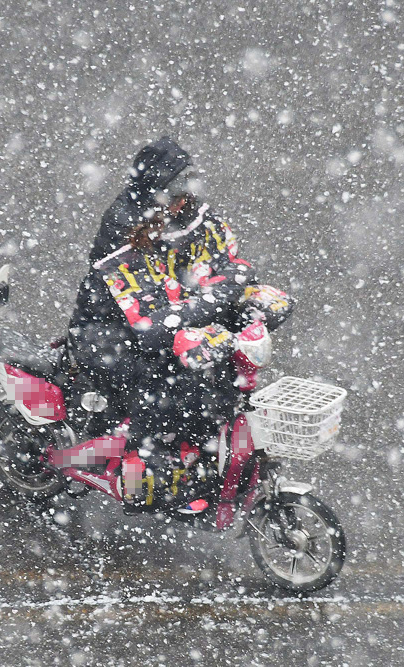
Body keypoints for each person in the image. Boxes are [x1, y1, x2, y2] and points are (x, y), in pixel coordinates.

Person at [67, 136, 260, 510]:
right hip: (110, 330)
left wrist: (226, 293)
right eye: (175, 188)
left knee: (214, 369)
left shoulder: (187, 211)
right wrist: (223, 290)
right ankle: (144, 472)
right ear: (155, 190)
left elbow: (226, 262)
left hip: (173, 310)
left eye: (186, 183)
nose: (185, 195)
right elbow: (151, 322)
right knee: (161, 377)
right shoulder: (124, 227)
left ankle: (196, 449)